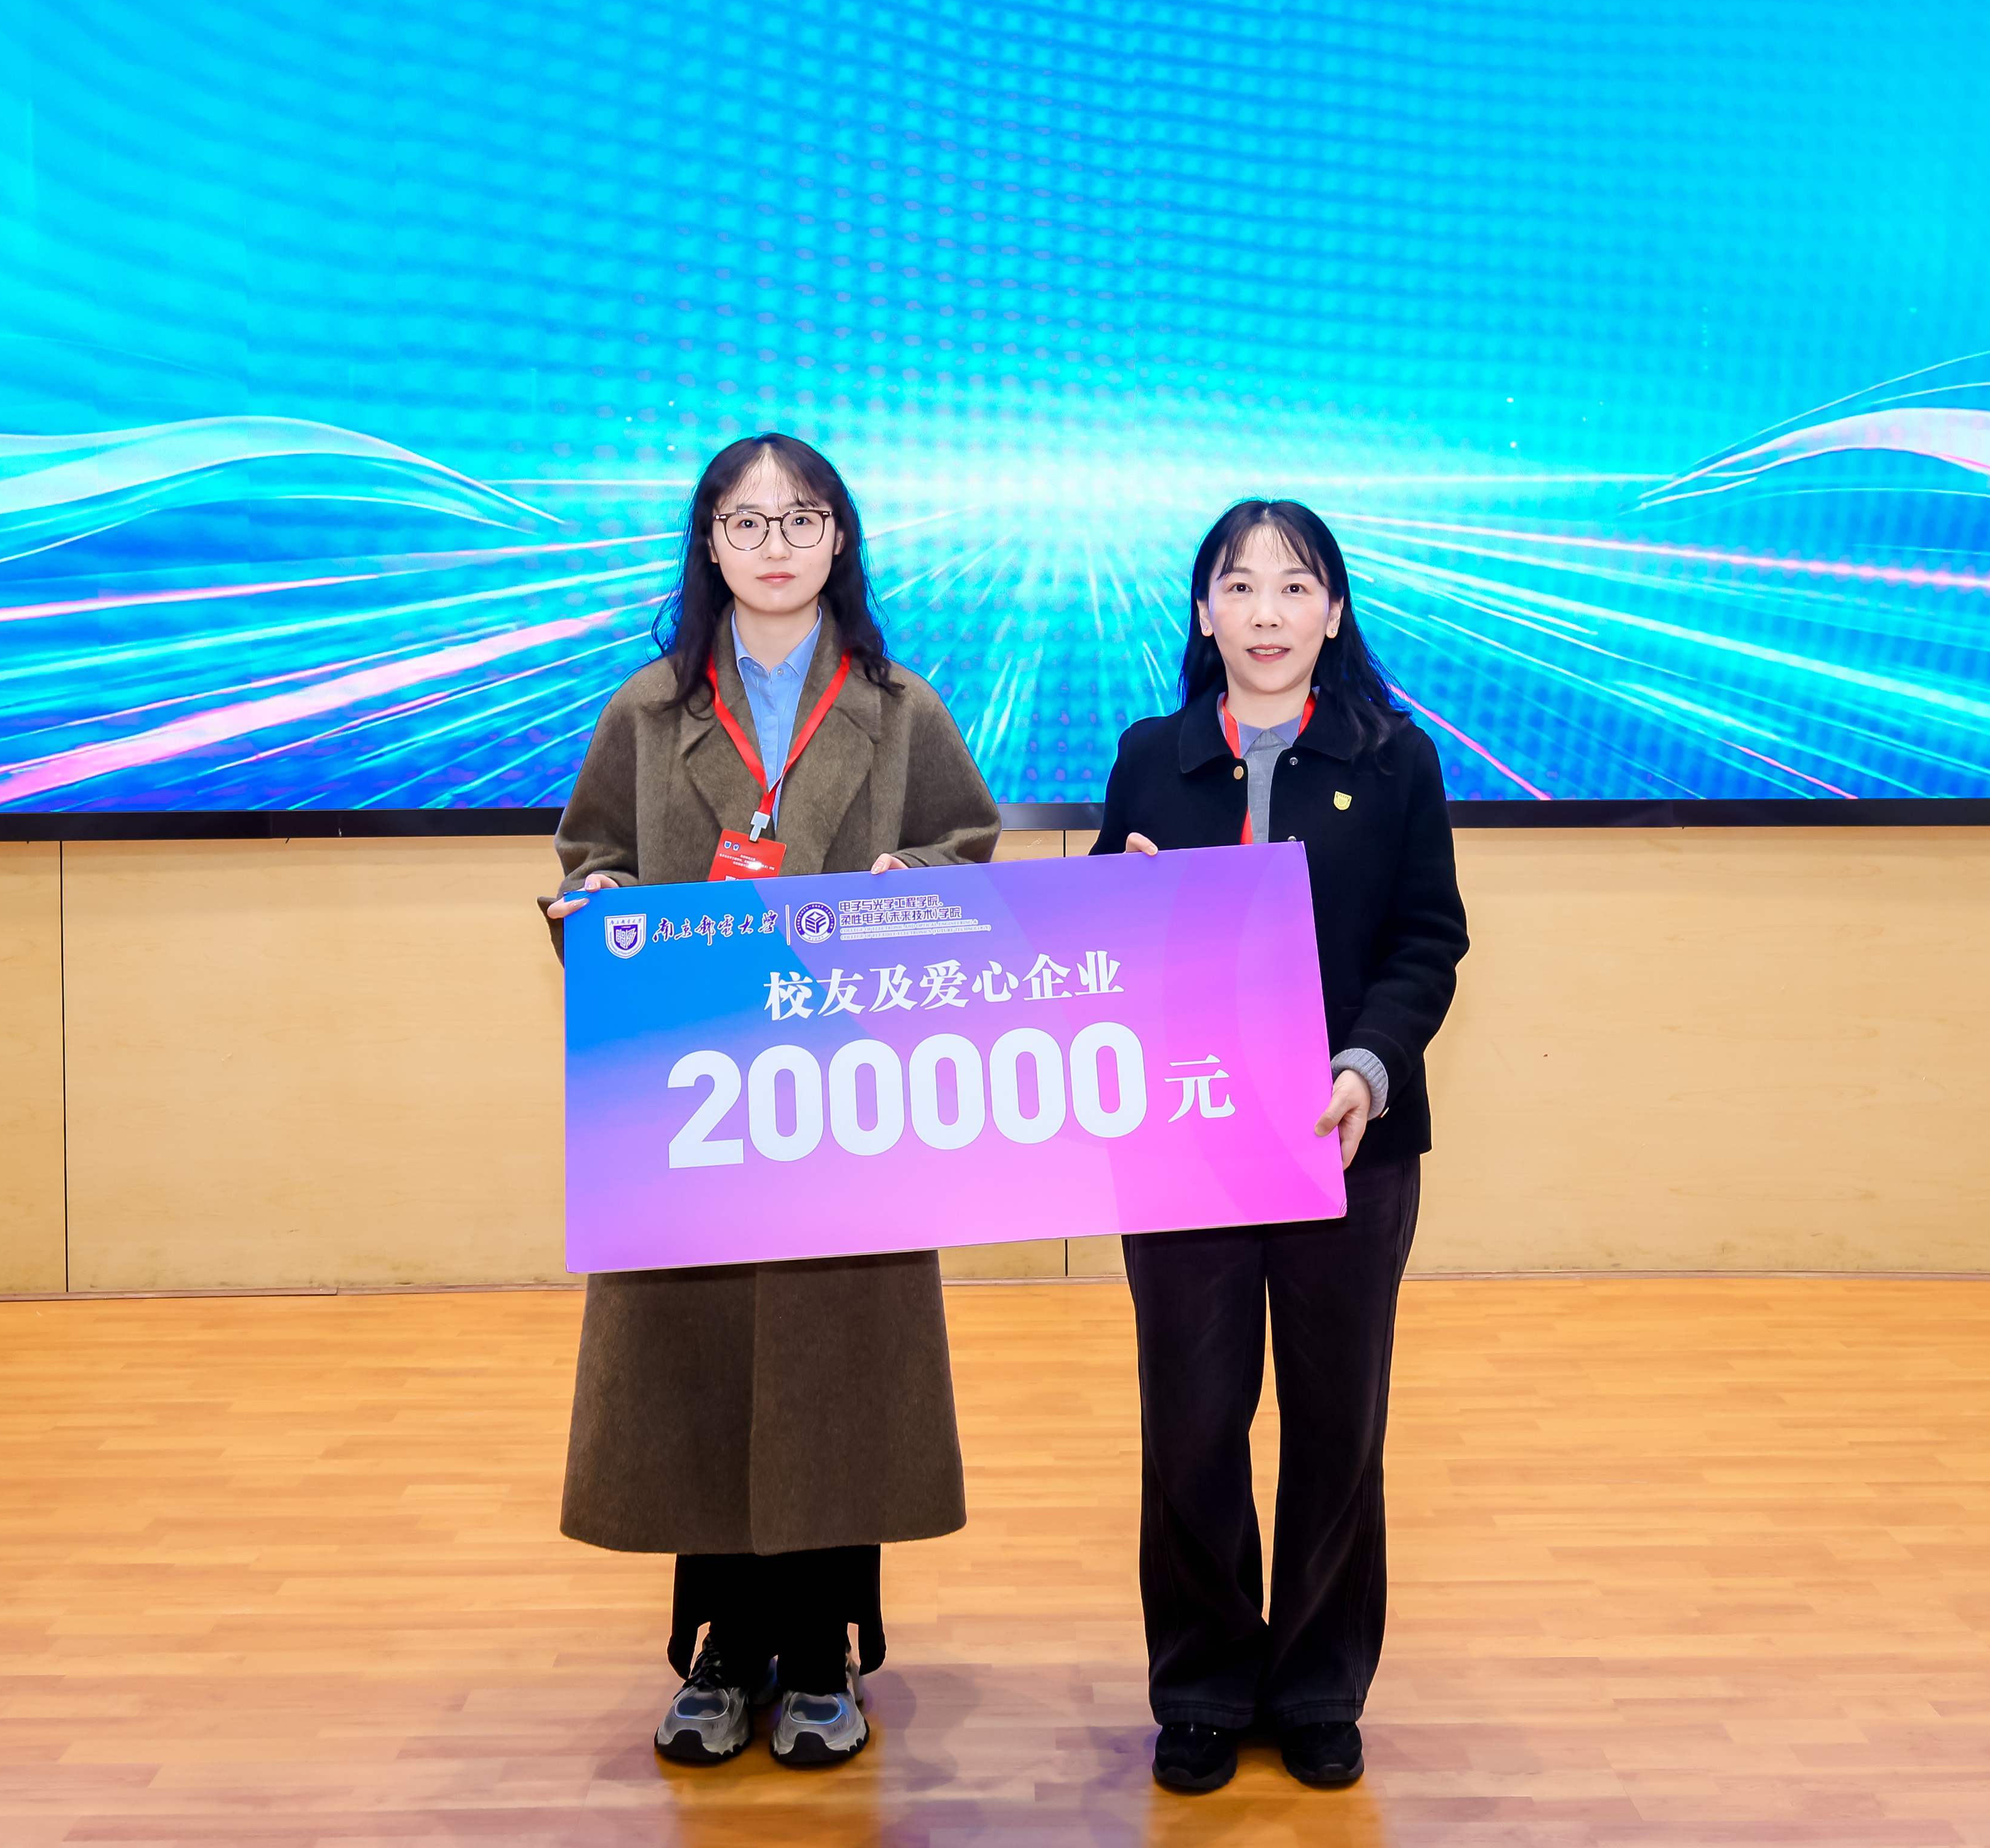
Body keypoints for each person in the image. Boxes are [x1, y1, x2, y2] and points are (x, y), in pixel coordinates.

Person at [541, 432, 1001, 1771]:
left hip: (843, 1094)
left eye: (801, 519)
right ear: (710, 544)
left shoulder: (899, 707)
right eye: (747, 523)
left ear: (838, 538)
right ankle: (721, 1651)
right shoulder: (648, 710)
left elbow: (970, 859)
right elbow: (590, 856)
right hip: (698, 1095)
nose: (776, 544)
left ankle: (819, 1652)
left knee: (833, 1377)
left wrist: (913, 883)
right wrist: (597, 902)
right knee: (702, 1371)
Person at [1091, 498, 1469, 1795]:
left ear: (1334, 611)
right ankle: (1201, 1686)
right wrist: (1119, 903)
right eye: (1239, 586)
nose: (1266, 612)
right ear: (1203, 612)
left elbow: (1428, 940)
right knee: (1192, 1421)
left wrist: (1367, 1066)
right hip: (1187, 1137)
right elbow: (1100, 951)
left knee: (1334, 1421)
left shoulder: (1396, 758)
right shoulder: (1149, 757)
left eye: (1294, 586)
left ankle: (1317, 1685)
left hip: (1345, 1142)